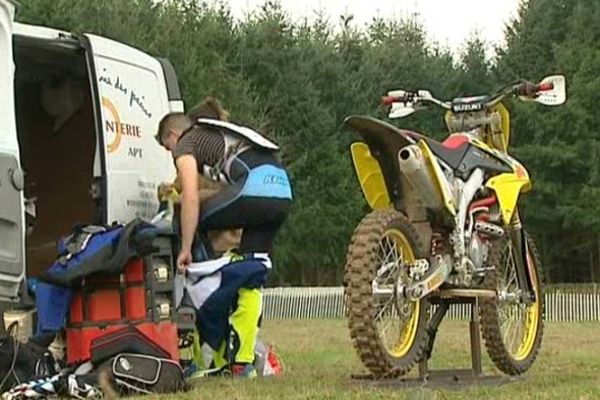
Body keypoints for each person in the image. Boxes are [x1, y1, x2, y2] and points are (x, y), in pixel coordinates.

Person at [155, 97, 292, 378]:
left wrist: (184, 248)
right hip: (281, 191)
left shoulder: (186, 143)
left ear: (172, 135)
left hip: (254, 189)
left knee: (186, 216)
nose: (170, 152)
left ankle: (208, 346)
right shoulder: (219, 135)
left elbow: (191, 196)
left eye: (166, 146)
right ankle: (242, 363)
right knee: (252, 271)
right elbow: (220, 192)